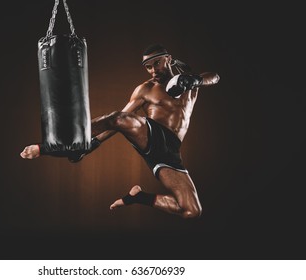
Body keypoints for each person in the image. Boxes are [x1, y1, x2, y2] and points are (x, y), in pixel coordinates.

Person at [21, 44, 220, 218]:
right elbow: (116, 121)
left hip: (170, 152)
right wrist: (92, 144)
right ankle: (47, 146)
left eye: (156, 64)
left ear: (167, 59)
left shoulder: (189, 84)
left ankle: (138, 197)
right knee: (118, 118)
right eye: (148, 67)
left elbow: (214, 77)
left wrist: (194, 80)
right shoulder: (145, 89)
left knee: (191, 210)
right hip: (151, 135)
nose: (152, 70)